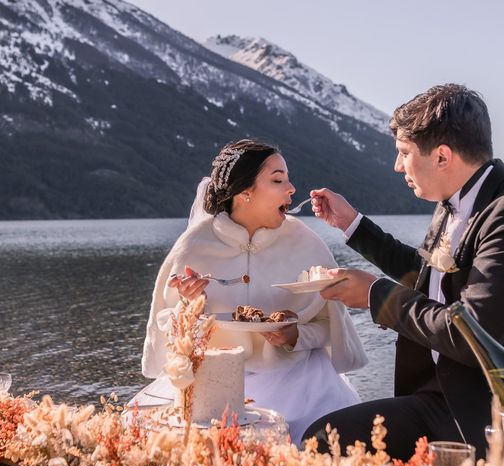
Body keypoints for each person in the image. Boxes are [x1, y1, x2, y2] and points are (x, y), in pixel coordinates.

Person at [303, 84, 504, 460]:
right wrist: (352, 225)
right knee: (322, 439)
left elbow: (472, 333)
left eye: (404, 153)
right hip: (445, 400)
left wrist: (375, 296)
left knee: (328, 443)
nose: (397, 166)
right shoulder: (452, 204)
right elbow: (428, 280)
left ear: (441, 156)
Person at [140, 139, 368, 445]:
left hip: (300, 380)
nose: (291, 188)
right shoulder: (194, 246)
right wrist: (190, 306)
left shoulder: (306, 243)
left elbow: (331, 324)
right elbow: (171, 334)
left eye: (287, 178)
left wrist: (295, 336)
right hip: (215, 382)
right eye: (277, 180)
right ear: (244, 191)